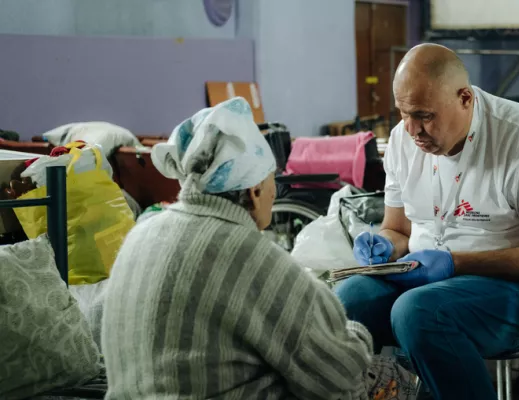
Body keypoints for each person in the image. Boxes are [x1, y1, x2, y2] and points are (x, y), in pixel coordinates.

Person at [101, 98, 417, 400]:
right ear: (254, 191)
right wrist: (355, 336)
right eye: (272, 184)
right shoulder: (249, 256)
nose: (272, 194)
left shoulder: (142, 231)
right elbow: (341, 371)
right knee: (375, 380)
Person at [335, 43, 519, 399]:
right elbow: (399, 228)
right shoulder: (404, 140)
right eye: (403, 113)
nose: (413, 129)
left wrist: (456, 263)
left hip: (516, 286)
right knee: (343, 301)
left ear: (465, 98)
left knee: (418, 313)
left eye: (425, 115)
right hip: (422, 279)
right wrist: (385, 243)